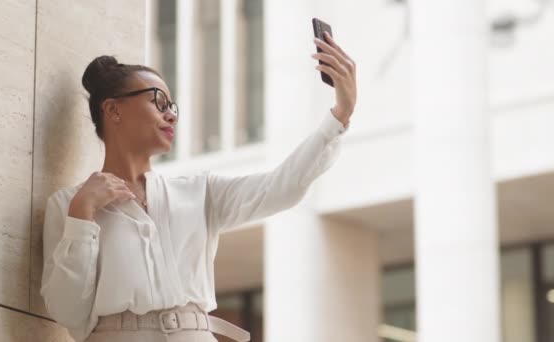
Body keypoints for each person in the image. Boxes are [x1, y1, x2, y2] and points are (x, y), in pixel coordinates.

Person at [40, 31, 356, 342]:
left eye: (172, 107)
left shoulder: (199, 193)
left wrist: (339, 115)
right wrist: (82, 216)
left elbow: (281, 187)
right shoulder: (70, 204)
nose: (171, 116)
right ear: (112, 110)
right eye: (158, 101)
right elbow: (68, 312)